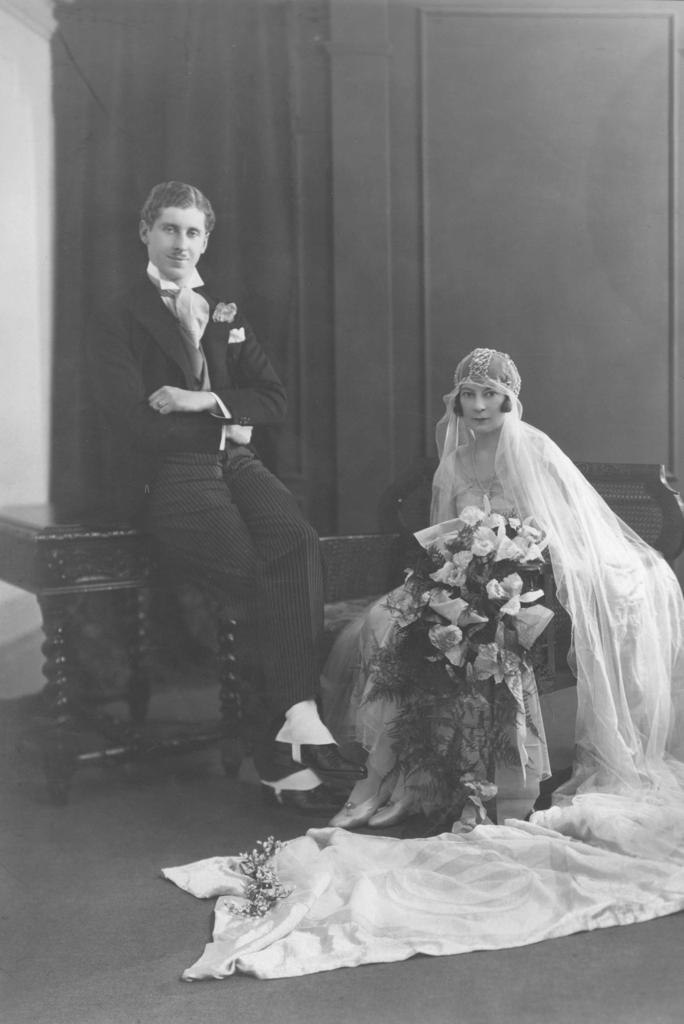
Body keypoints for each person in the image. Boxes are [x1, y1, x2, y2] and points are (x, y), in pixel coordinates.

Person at [162, 347, 684, 981]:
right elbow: (443, 532)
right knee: (385, 624)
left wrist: (505, 568)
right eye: (470, 395)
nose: (480, 406)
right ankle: (394, 773)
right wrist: (454, 571)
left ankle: (484, 777)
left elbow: (557, 533)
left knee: (484, 632)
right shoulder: (454, 459)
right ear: (457, 401)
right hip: (470, 568)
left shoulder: (534, 451)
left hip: (529, 572)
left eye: (491, 394)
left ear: (510, 398)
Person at [88, 180, 364, 812]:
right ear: (145, 233)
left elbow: (274, 399)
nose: (180, 243)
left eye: (193, 232)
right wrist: (225, 421)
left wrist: (202, 399)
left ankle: (293, 721)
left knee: (298, 543)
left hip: (234, 461)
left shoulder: (222, 311)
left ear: (206, 240)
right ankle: (284, 749)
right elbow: (130, 422)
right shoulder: (117, 313)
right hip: (168, 471)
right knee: (255, 579)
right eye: (169, 229)